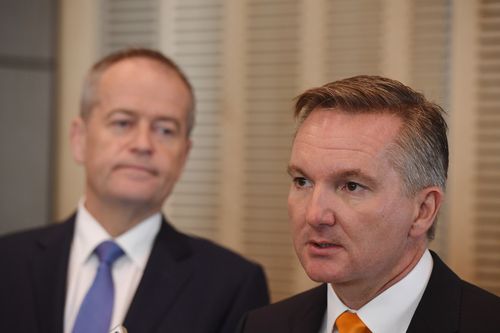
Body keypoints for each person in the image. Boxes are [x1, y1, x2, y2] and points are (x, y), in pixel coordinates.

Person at [0, 48, 269, 333]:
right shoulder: (7, 262)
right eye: (122, 122)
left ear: (184, 155)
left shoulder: (231, 286)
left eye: (165, 130)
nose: (143, 144)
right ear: (79, 139)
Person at [238, 75, 500, 332]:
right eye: (302, 181)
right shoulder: (261, 325)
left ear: (423, 211)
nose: (315, 215)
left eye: (351, 186)